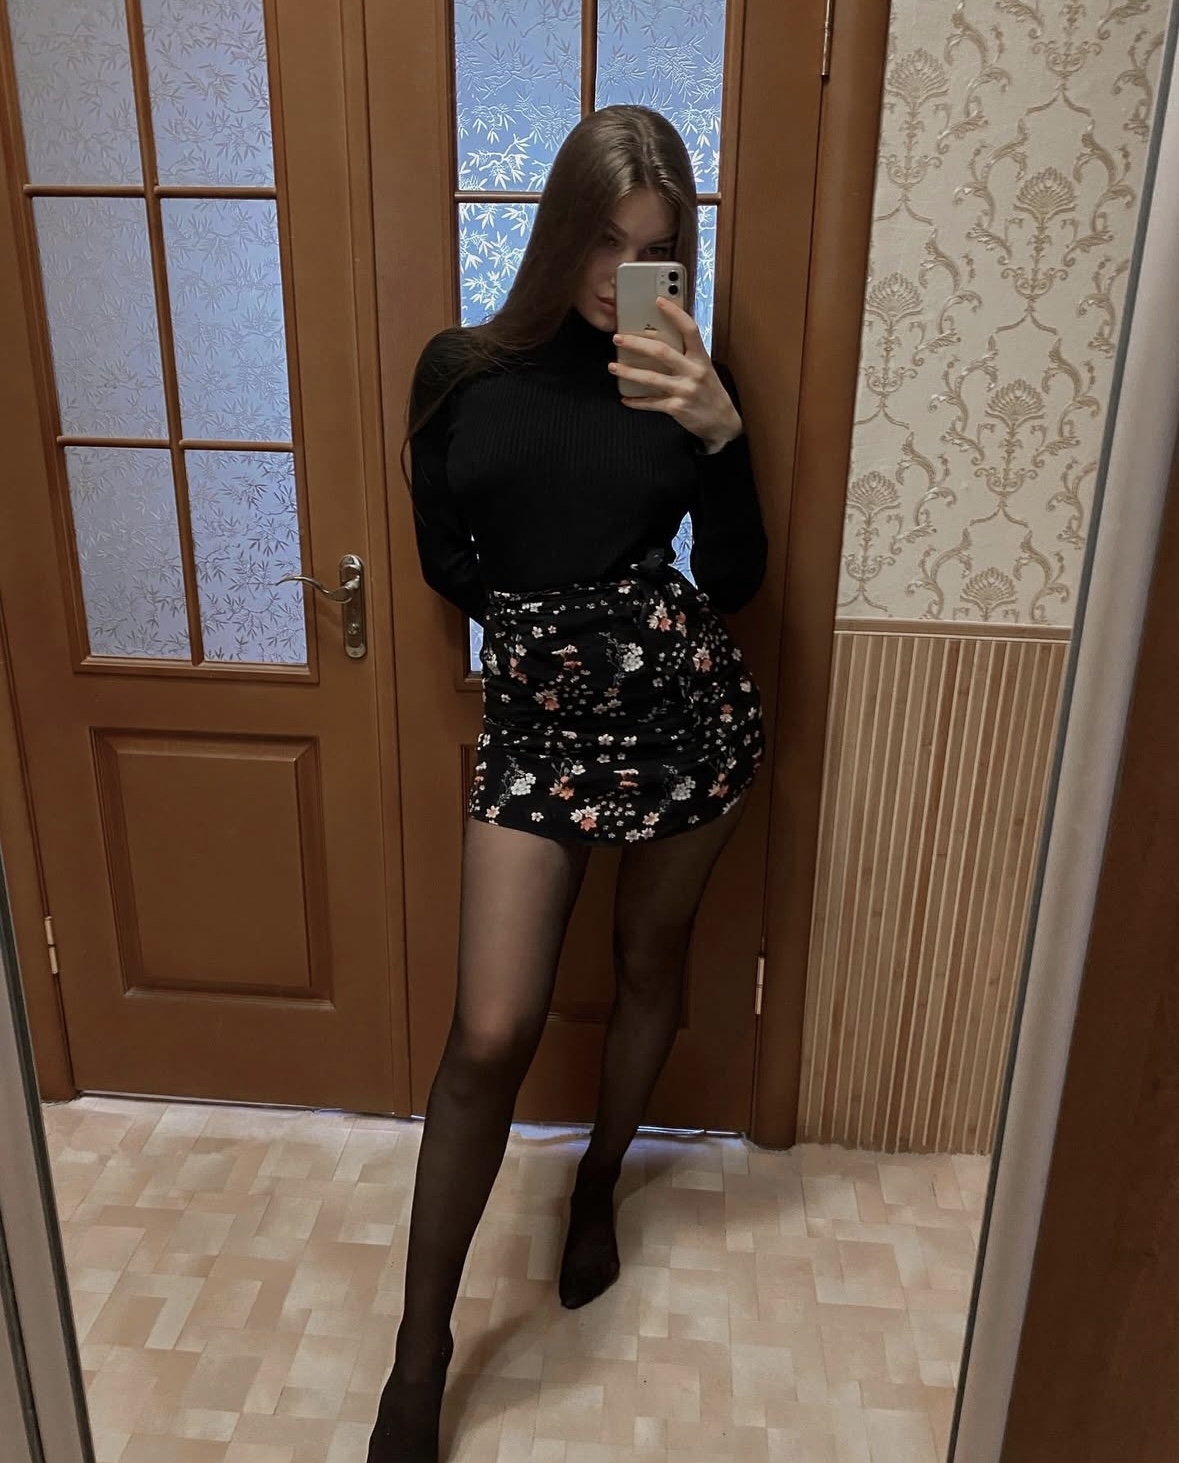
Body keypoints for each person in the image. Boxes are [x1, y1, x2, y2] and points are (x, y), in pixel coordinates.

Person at [367, 105, 767, 1463]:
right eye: (602, 240)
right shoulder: (462, 372)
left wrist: (722, 435)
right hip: (539, 733)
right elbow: (443, 553)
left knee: (651, 959)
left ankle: (598, 1181)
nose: (619, 276)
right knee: (491, 1029)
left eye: (650, 250)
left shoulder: (685, 381)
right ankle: (420, 1352)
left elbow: (734, 582)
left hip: (680, 720)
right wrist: (543, 632)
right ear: (559, 232)